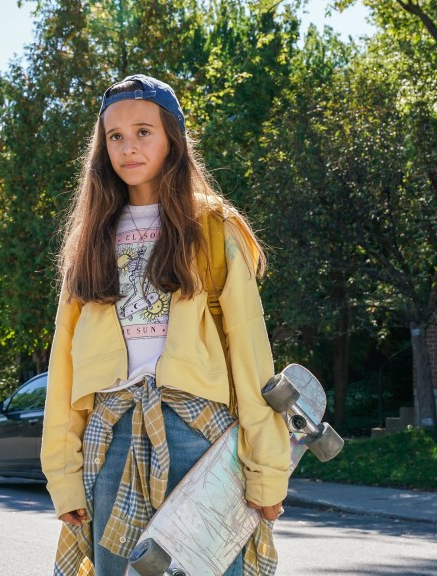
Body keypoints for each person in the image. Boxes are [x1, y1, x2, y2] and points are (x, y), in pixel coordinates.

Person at [41, 73, 290, 576]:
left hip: (200, 438)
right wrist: (63, 476)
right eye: (115, 136)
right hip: (111, 438)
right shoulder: (91, 239)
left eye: (143, 132)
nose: (128, 147)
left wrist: (267, 470)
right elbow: (63, 368)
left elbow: (250, 351)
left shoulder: (213, 229)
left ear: (172, 138)